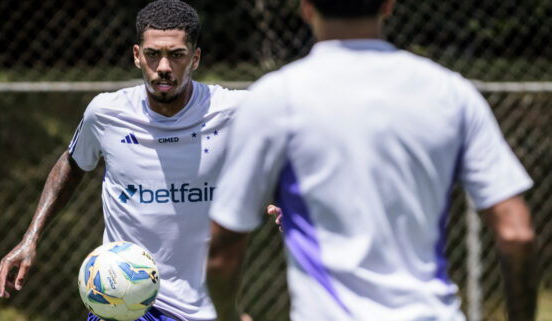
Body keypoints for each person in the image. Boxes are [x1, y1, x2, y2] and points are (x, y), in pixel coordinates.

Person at [206, 0, 539, 320]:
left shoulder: (275, 98)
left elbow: (222, 253)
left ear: (306, 6)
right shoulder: (450, 92)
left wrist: (227, 316)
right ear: (388, 5)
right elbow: (516, 233)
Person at [0, 1, 277, 320]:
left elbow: (289, 152)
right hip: (122, 301)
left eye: (177, 55)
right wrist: (31, 236)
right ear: (137, 55)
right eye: (153, 54)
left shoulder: (234, 111)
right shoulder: (106, 114)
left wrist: (289, 199)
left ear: (195, 58)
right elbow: (72, 164)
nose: (164, 66)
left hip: (203, 307)